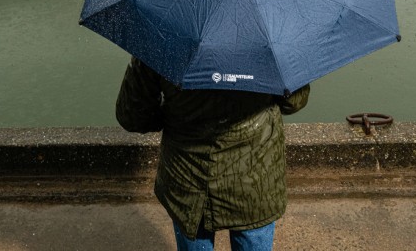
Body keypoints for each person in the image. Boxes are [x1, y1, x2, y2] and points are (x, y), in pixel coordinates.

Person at [116, 56, 310, 251]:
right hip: (256, 178)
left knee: (193, 233)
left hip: (189, 176)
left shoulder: (162, 38)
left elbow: (132, 116)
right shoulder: (272, 42)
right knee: (254, 233)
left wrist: (172, 117)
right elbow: (293, 102)